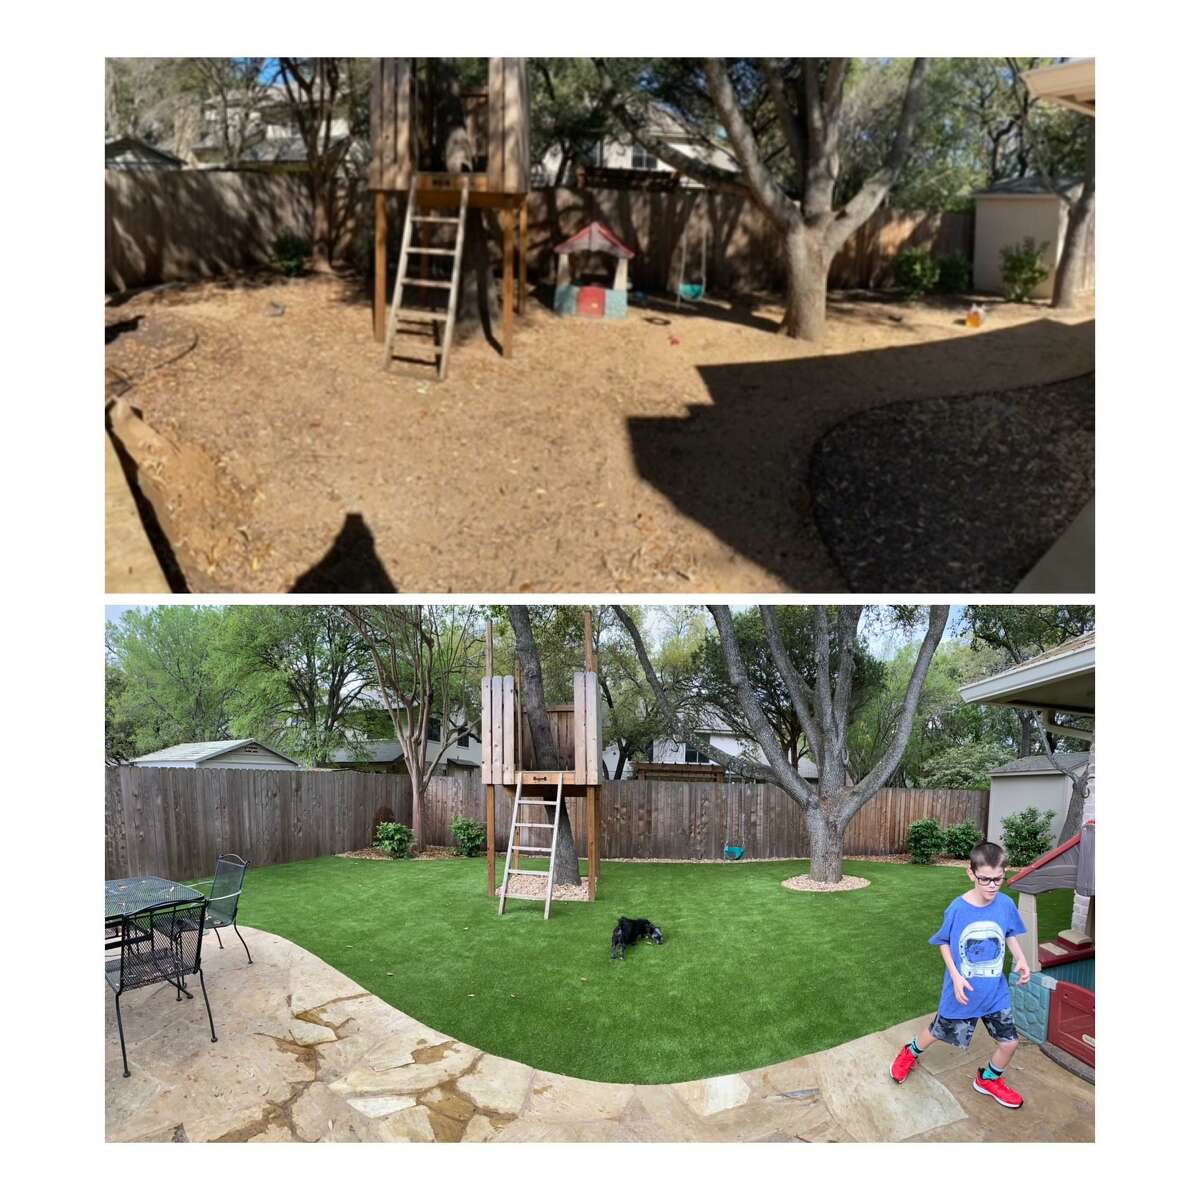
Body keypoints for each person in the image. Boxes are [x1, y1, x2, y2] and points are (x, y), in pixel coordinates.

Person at [890, 840, 1032, 1108]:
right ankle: (910, 1051)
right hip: (963, 992)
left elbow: (1010, 933)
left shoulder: (1004, 904)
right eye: (985, 879)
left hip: (995, 993)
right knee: (936, 1032)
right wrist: (955, 976)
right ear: (971, 874)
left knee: (1010, 1043)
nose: (991, 886)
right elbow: (943, 942)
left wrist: (1022, 959)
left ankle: (988, 1079)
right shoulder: (958, 908)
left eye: (998, 880)